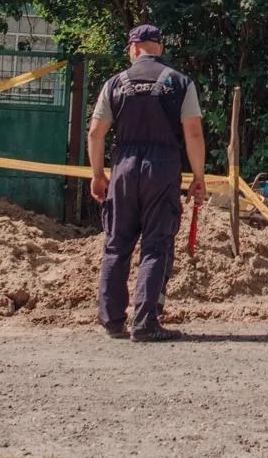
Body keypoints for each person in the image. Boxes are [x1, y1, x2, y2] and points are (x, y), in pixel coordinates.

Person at [89, 23, 207, 341]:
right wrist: (198, 177)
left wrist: (98, 175)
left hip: (123, 168)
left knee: (116, 245)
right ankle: (145, 322)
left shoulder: (114, 83)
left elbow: (95, 133)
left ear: (133, 48)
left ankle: (112, 320)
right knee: (156, 245)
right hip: (163, 167)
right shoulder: (180, 82)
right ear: (159, 49)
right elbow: (193, 132)